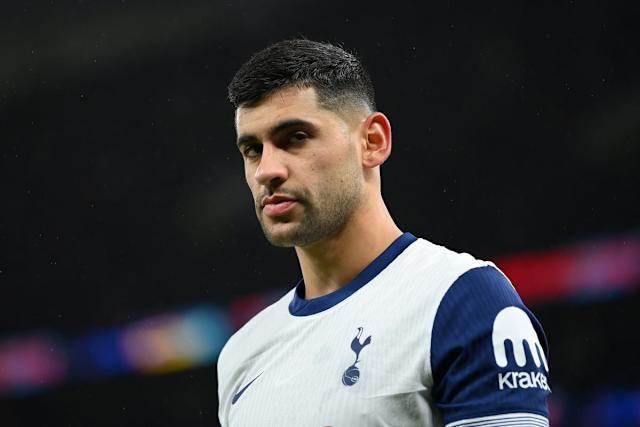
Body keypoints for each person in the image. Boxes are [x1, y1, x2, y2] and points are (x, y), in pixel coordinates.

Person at [217, 39, 551, 427]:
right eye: (252, 149)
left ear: (372, 141)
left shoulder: (460, 299)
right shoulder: (242, 353)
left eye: (296, 137)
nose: (266, 171)